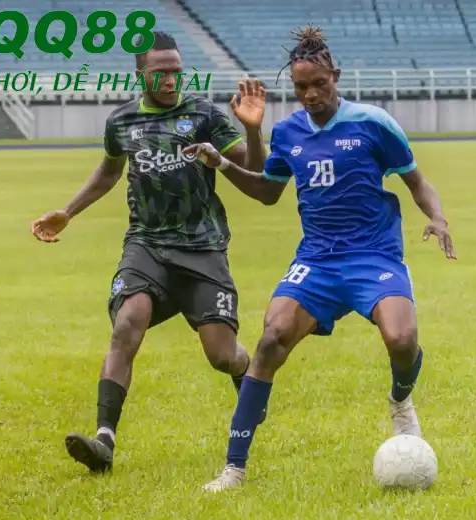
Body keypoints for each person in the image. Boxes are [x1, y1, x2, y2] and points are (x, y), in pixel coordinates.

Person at [182, 24, 456, 492]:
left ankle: (400, 400)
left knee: (402, 338)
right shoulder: (288, 131)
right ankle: (234, 468)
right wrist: (227, 158)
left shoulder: (373, 123)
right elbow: (267, 191)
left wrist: (438, 217)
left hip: (373, 254)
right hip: (318, 259)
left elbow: (416, 181)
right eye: (301, 87)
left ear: (336, 77)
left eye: (319, 84)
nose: (310, 94)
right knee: (271, 338)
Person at [29, 32, 269, 473]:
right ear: (141, 74)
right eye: (162, 73)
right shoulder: (121, 122)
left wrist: (252, 130)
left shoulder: (202, 114)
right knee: (127, 324)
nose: (172, 79)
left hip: (202, 247)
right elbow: (108, 172)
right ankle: (104, 441)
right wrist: (68, 211)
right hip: (147, 246)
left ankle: (243, 372)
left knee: (222, 355)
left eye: (177, 71)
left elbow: (253, 167)